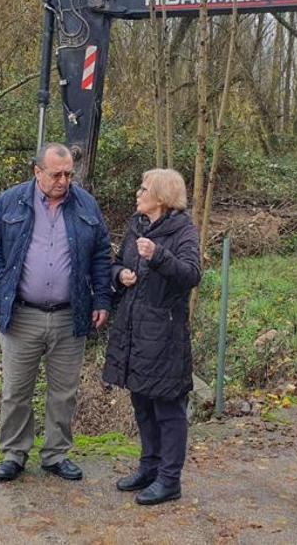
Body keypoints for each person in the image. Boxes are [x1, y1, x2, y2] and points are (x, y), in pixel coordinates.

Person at [0, 143, 112, 483]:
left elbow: (101, 255)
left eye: (68, 174)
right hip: (22, 313)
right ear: (38, 172)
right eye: (56, 174)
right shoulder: (10, 201)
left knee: (64, 391)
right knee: (16, 389)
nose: (64, 181)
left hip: (70, 313)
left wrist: (102, 299)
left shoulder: (86, 204)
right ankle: (14, 453)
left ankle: (55, 454)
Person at [103, 168, 201, 506]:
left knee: (168, 408)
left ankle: (169, 480)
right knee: (141, 402)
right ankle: (149, 468)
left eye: (143, 189)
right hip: (134, 331)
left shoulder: (182, 231)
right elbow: (115, 264)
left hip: (165, 336)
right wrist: (121, 275)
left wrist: (158, 256)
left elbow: (191, 275)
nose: (137, 193)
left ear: (161, 198)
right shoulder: (138, 226)